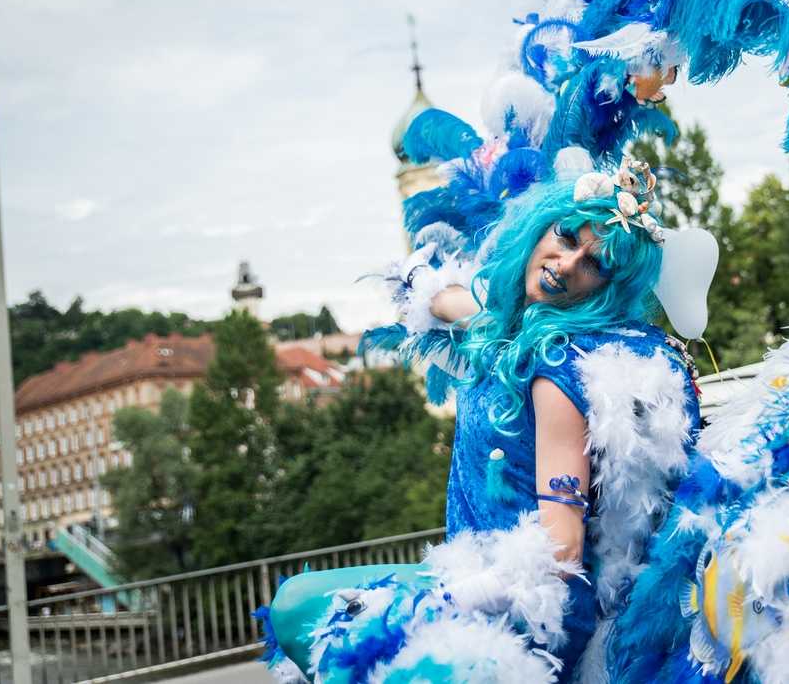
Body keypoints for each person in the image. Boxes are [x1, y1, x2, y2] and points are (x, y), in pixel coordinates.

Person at [260, 159, 704, 683]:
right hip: (464, 574)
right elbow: (454, 302)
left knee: (352, 643)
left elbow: (560, 553)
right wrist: (422, 285)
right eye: (565, 237)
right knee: (294, 604)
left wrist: (443, 600)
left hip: (522, 613)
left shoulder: (556, 369)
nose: (565, 263)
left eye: (594, 264)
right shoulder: (505, 326)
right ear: (541, 225)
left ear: (607, 290)